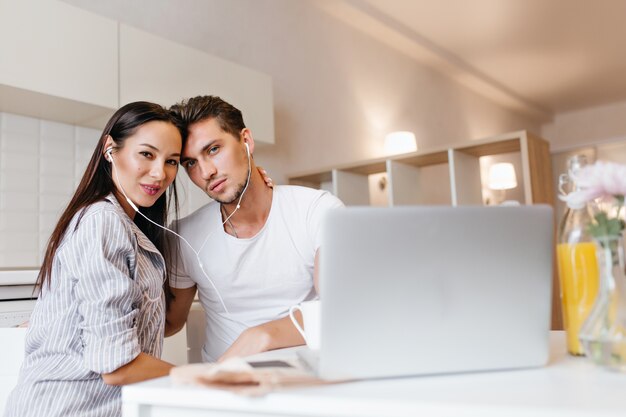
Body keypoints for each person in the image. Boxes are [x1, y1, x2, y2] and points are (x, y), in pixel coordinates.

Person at [4, 102, 183, 417]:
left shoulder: (121, 224)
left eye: (172, 161)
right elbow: (116, 365)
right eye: (147, 154)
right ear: (110, 149)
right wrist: (204, 377)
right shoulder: (104, 220)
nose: (160, 173)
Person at [166, 95, 344, 362]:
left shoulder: (316, 210)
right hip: (225, 386)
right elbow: (170, 322)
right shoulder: (184, 236)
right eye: (190, 163)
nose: (206, 172)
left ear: (246, 141)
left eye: (213, 149)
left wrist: (261, 336)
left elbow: (339, 306)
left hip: (307, 377)